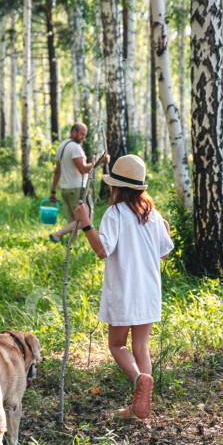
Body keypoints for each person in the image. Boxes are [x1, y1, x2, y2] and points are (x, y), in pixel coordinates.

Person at [74, 154, 174, 420]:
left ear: (117, 186)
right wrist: (166, 228)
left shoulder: (115, 213)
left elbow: (102, 250)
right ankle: (140, 406)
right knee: (141, 347)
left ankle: (140, 379)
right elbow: (164, 252)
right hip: (150, 292)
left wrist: (86, 222)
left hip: (125, 290)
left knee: (117, 345)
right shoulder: (153, 213)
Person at [48, 123, 109, 243]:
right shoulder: (75, 148)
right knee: (85, 219)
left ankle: (72, 245)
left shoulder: (61, 147)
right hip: (76, 189)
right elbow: (82, 169)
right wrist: (101, 161)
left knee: (73, 221)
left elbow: (57, 172)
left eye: (85, 135)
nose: (83, 138)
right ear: (73, 132)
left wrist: (53, 191)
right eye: (81, 134)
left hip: (65, 189)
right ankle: (57, 234)